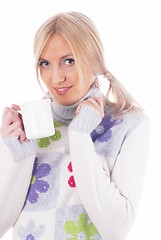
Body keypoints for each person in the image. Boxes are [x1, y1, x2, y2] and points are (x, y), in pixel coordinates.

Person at [0, 11, 150, 240]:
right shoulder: (27, 127)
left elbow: (117, 229)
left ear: (95, 60)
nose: (56, 78)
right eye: (45, 63)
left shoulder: (128, 124)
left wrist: (80, 135)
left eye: (68, 61)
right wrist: (19, 158)